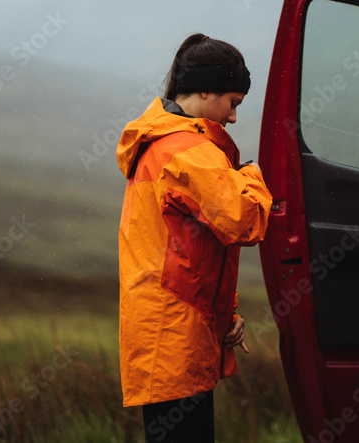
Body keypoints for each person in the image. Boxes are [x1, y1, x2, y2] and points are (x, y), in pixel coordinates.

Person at [115, 33, 273, 443]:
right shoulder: (187, 151)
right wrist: (252, 173)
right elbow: (244, 219)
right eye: (233, 102)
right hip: (173, 338)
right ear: (206, 89)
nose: (234, 116)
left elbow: (190, 251)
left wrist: (224, 316)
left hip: (170, 331)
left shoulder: (164, 143)